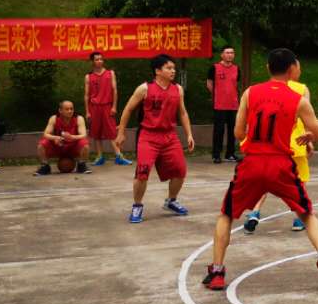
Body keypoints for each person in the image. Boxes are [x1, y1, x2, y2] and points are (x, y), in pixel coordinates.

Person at [202, 47, 318, 292]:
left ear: (268, 68)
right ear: (293, 69)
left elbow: (238, 132)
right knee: (306, 213)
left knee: (226, 215)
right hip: (280, 164)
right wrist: (310, 135)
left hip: (252, 162)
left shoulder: (250, 93)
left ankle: (217, 272)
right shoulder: (299, 99)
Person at [241, 60, 318, 238]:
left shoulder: (262, 90)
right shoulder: (301, 89)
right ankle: (299, 218)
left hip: (272, 144)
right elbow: (308, 119)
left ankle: (255, 212)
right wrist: (310, 139)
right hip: (296, 142)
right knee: (299, 182)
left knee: (264, 181)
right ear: (291, 69)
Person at [117, 54, 194, 223]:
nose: (173, 71)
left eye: (174, 68)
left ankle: (171, 201)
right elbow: (128, 109)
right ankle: (137, 205)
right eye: (169, 68)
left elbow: (182, 113)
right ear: (158, 71)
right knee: (142, 172)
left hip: (170, 136)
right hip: (148, 135)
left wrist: (189, 134)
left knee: (180, 170)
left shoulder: (178, 89)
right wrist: (121, 132)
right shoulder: (144, 89)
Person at [84, 52, 130, 167]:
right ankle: (100, 157)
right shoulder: (88, 76)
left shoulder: (110, 73)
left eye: (101, 59)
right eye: (97, 59)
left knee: (112, 132)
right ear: (92, 62)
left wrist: (114, 106)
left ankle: (119, 156)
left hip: (107, 106)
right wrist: (87, 111)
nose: (99, 61)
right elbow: (86, 95)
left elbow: (115, 90)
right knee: (96, 133)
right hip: (94, 107)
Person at [36, 100, 90, 175]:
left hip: (73, 146)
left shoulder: (79, 118)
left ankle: (81, 165)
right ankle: (45, 166)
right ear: (60, 110)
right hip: (58, 145)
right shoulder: (54, 118)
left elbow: (83, 134)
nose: (70, 111)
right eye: (67, 109)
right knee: (41, 145)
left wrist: (71, 137)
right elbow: (46, 134)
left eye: (71, 109)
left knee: (85, 144)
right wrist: (55, 138)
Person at [207, 46, 241, 164]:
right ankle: (216, 155)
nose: (230, 55)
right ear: (222, 55)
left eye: (232, 53)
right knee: (219, 130)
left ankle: (230, 154)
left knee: (232, 130)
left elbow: (235, 84)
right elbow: (209, 84)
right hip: (219, 104)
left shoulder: (237, 69)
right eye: (227, 52)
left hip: (233, 104)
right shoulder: (214, 68)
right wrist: (218, 94)